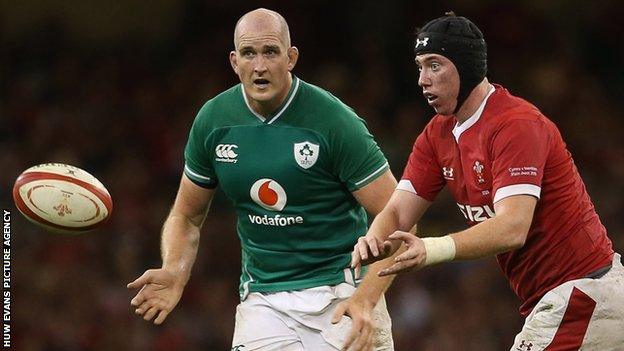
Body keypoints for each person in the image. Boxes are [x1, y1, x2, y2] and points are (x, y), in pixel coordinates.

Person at [333, 12, 624, 351]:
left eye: (434, 65)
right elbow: (397, 213)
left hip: (585, 293)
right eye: (419, 67)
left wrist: (432, 248)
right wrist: (372, 249)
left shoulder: (516, 123)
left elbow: (513, 226)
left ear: (467, 65)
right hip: (561, 300)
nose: (422, 80)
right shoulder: (437, 135)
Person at [127, 8, 400, 351]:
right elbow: (187, 214)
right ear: (233, 61)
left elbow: (399, 218)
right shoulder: (214, 121)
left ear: (291, 57)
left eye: (270, 52)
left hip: (341, 293)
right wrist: (175, 270)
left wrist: (367, 298)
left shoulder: (334, 122)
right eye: (248, 53)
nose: (259, 66)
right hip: (264, 300)